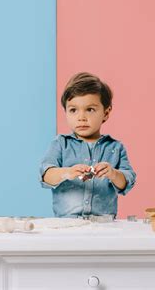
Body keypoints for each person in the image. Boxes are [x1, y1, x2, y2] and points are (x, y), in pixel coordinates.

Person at [39, 72, 137, 218]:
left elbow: (127, 181)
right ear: (65, 112)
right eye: (73, 110)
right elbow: (46, 175)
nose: (81, 117)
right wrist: (67, 172)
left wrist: (113, 173)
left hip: (105, 226)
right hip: (66, 226)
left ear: (106, 112)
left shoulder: (115, 148)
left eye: (90, 109)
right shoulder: (60, 144)